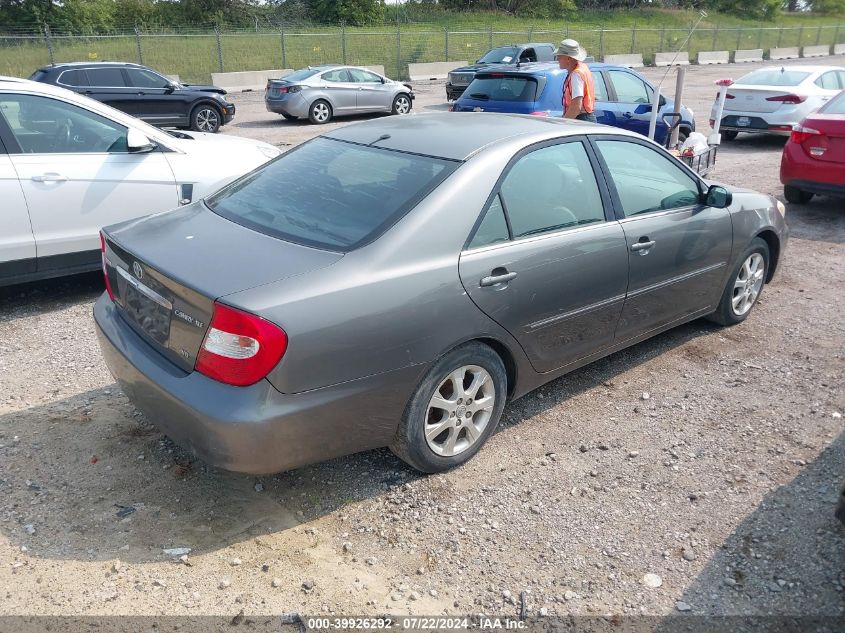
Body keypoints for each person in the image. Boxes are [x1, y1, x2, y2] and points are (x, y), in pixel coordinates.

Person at [555, 39, 596, 122]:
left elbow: (576, 106)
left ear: (569, 59)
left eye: (560, 56)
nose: (557, 59)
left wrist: (563, 123)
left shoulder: (576, 74)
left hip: (581, 119)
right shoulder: (582, 68)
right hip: (585, 117)